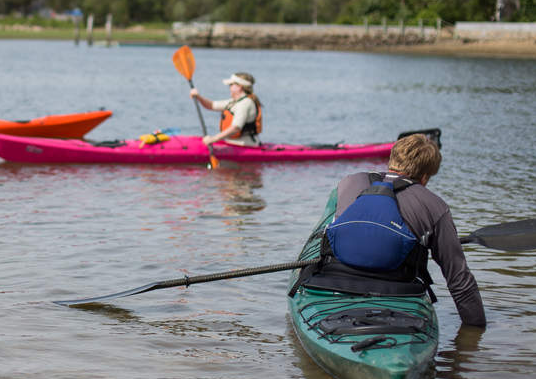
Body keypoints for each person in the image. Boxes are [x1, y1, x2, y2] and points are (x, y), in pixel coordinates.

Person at [295, 133, 486, 327]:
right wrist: (476, 330)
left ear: (392, 160)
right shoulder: (436, 206)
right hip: (397, 288)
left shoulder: (349, 182)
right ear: (426, 177)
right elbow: (458, 279)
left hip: (334, 277)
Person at [189, 71, 262, 146]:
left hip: (245, 145)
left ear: (239, 87)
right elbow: (211, 105)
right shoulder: (234, 102)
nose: (229, 87)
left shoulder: (245, 103)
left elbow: (236, 128)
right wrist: (198, 97)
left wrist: (213, 139)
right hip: (232, 143)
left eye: (231, 85)